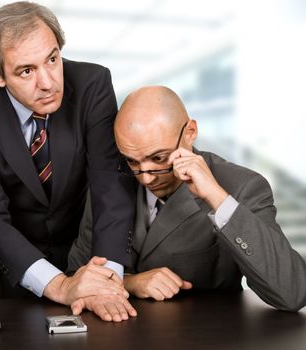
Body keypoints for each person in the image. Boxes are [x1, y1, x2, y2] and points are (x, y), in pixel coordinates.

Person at [0, 1, 136, 321]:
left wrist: (106, 282)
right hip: (14, 276)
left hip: (89, 256)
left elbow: (111, 187)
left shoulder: (92, 84)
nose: (48, 82)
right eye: (26, 70)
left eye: (52, 59)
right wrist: (59, 285)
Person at [68, 86, 306, 311]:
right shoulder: (112, 182)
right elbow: (74, 274)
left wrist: (216, 197)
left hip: (208, 335)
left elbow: (292, 293)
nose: (146, 178)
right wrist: (130, 282)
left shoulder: (243, 187)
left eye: (159, 158)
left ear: (190, 132)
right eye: (132, 161)